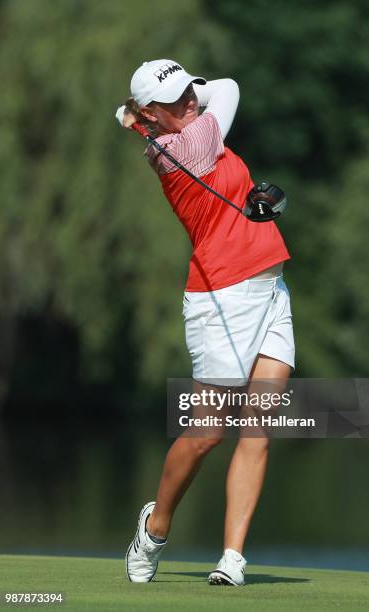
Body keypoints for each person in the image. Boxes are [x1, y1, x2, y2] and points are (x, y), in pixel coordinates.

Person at [116, 59, 295, 586]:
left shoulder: (175, 130)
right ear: (151, 112)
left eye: (189, 91)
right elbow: (231, 88)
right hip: (222, 297)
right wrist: (148, 117)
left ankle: (232, 558)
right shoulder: (186, 146)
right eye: (174, 100)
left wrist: (148, 112)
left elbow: (209, 93)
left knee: (260, 426)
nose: (190, 101)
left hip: (270, 287)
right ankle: (155, 525)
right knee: (206, 433)